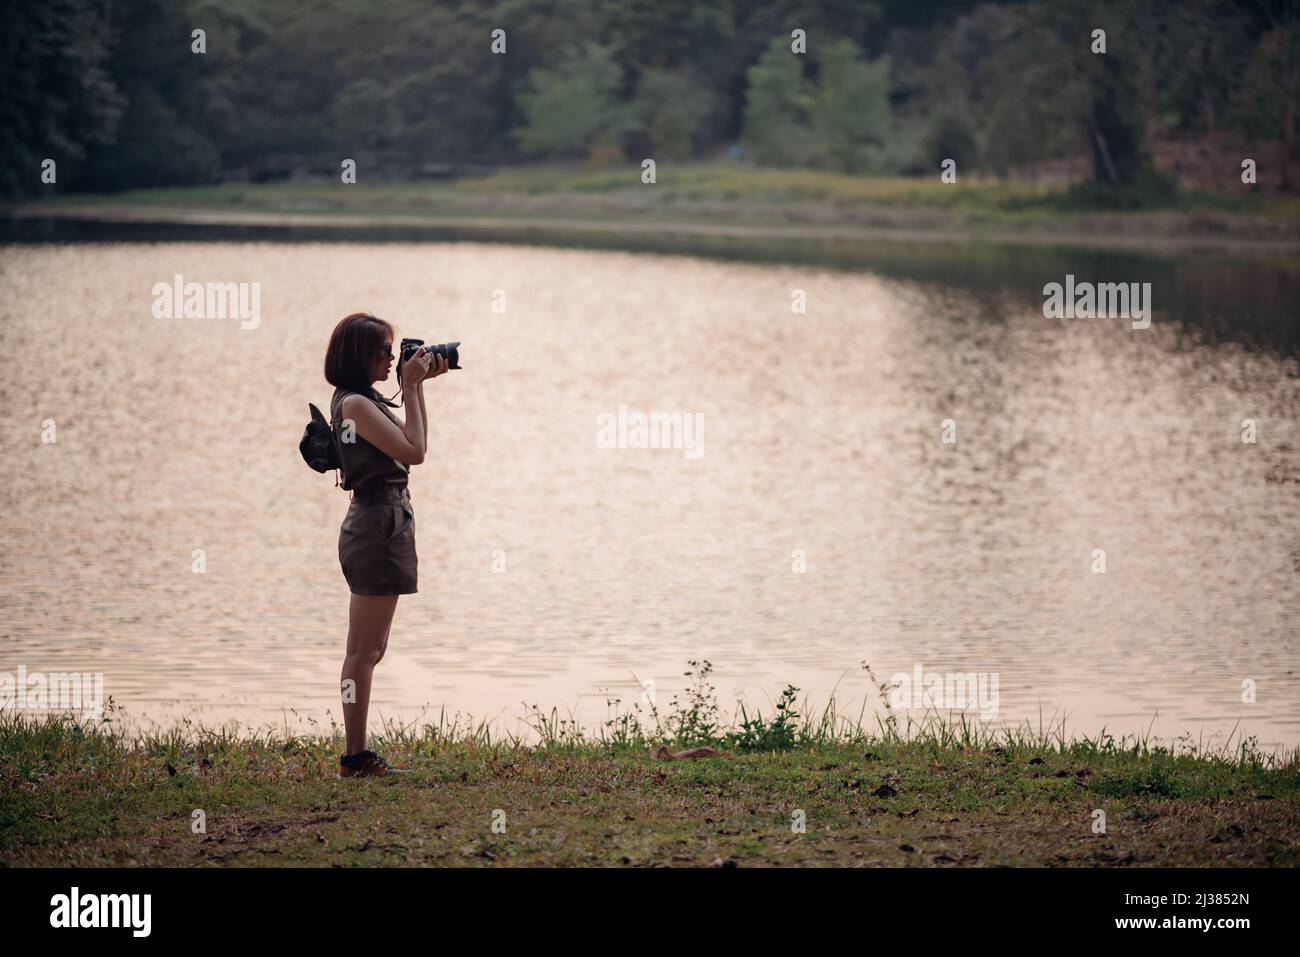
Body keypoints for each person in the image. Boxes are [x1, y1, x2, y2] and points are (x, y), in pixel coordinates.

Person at [322, 312, 448, 777]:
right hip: (375, 526)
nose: (392, 357)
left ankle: (356, 755)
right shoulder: (355, 404)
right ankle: (354, 757)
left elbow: (414, 446)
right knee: (362, 651)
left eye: (392, 349)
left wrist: (415, 388)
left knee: (370, 650)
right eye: (382, 350)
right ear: (358, 355)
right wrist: (411, 389)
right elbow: (414, 452)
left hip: (384, 521)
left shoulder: (363, 400)